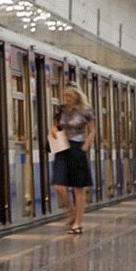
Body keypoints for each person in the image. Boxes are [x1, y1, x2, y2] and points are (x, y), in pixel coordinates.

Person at [50, 85, 95, 234]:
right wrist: (54, 130)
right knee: (58, 185)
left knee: (77, 188)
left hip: (77, 148)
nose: (67, 98)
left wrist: (85, 145)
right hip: (62, 147)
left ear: (76, 96)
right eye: (65, 95)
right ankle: (70, 212)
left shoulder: (86, 110)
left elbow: (92, 130)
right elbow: (56, 126)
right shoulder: (62, 110)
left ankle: (77, 223)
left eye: (69, 95)